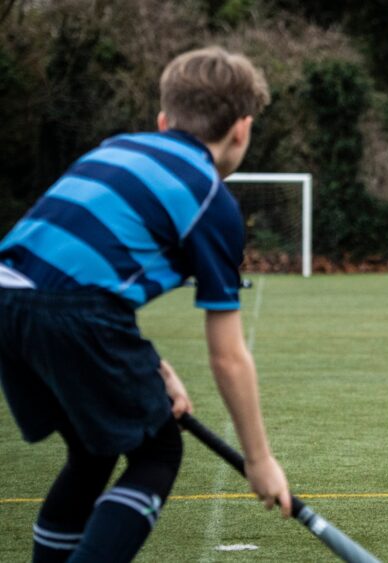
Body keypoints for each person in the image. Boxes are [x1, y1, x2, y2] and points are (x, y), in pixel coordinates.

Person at [0, 46, 291, 561]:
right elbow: (227, 355)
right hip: (72, 312)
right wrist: (260, 460)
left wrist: (151, 367)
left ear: (163, 120)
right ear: (242, 129)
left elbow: (67, 264)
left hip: (9, 298)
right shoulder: (211, 200)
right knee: (157, 452)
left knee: (94, 452)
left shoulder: (115, 150)